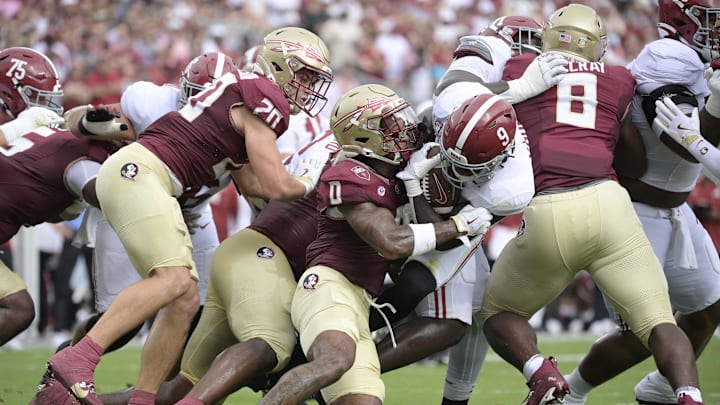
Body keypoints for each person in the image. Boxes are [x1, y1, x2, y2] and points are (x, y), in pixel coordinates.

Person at [44, 26, 334, 405]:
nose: (310, 85)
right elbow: (279, 187)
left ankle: (143, 399)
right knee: (172, 282)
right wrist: (310, 175)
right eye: (306, 74)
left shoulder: (244, 94)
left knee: (183, 301)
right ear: (280, 65)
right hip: (142, 174)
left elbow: (256, 187)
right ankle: (76, 358)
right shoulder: (264, 95)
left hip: (158, 187)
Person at [480, 4, 706, 405]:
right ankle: (689, 396)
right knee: (659, 322)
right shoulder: (618, 79)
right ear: (597, 46)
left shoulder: (519, 69)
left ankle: (543, 374)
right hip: (610, 204)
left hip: (551, 207)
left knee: (499, 314)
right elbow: (633, 161)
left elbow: (470, 105)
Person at [258, 83, 494, 405]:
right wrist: (458, 225)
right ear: (363, 137)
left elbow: (419, 239)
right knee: (333, 360)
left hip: (361, 301)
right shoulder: (349, 171)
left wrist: (413, 186)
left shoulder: (395, 176)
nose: (404, 128)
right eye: (390, 124)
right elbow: (391, 243)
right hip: (330, 288)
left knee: (362, 400)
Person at [371, 16, 549, 405]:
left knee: (464, 304)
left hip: (451, 202)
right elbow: (459, 84)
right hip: (414, 163)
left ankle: (449, 397)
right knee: (448, 311)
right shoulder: (455, 95)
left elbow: (446, 240)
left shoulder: (511, 188)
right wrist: (517, 89)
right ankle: (346, 364)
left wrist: (420, 184)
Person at [561, 1, 720, 404]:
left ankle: (661, 390)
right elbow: (682, 141)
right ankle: (569, 392)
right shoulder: (669, 57)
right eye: (713, 19)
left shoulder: (696, 59)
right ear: (684, 19)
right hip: (639, 208)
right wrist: (713, 111)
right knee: (642, 330)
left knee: (707, 308)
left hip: (675, 207)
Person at [0, 46, 112, 349]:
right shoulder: (23, 126)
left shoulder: (37, 144)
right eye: (37, 98)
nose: (48, 109)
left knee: (19, 309)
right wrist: (17, 127)